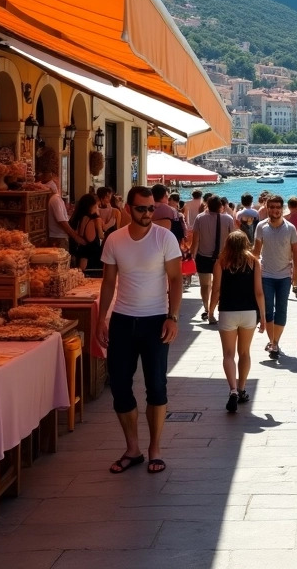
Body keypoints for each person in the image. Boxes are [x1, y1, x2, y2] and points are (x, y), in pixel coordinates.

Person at [97, 186, 183, 475]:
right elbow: (108, 282)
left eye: (151, 209)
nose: (147, 214)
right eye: (141, 209)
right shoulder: (114, 240)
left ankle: (154, 449)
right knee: (120, 387)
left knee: (156, 387)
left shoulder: (165, 238)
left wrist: (173, 316)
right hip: (122, 320)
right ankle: (132, 448)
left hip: (156, 320)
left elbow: (175, 280)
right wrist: (101, 318)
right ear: (128, 209)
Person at [210, 231, 265, 413]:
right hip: (249, 312)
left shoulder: (221, 262)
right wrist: (263, 317)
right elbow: (259, 292)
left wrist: (210, 310)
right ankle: (242, 389)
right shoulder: (254, 262)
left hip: (227, 312)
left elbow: (216, 290)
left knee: (228, 354)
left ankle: (232, 390)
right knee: (245, 352)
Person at [253, 195, 297, 359]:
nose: (274, 210)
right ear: (267, 208)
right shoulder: (261, 227)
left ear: (282, 209)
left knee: (281, 310)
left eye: (277, 207)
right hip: (266, 275)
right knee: (268, 310)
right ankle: (273, 343)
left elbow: (296, 252)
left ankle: (275, 341)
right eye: (271, 207)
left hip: (284, 276)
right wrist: (252, 272)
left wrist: (295, 275)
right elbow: (256, 252)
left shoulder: (290, 228)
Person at [191, 195, 235, 323]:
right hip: (222, 257)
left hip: (203, 256)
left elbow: (196, 240)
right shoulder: (228, 219)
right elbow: (232, 239)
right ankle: (213, 311)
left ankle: (206, 308)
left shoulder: (200, 218)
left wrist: (192, 256)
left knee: (205, 285)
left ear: (207, 205)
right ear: (221, 206)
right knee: (219, 285)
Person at [69, 193, 104, 271]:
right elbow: (95, 238)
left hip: (79, 255)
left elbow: (81, 236)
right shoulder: (92, 220)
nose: (97, 209)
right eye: (95, 207)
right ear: (89, 207)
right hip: (92, 260)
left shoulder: (78, 218)